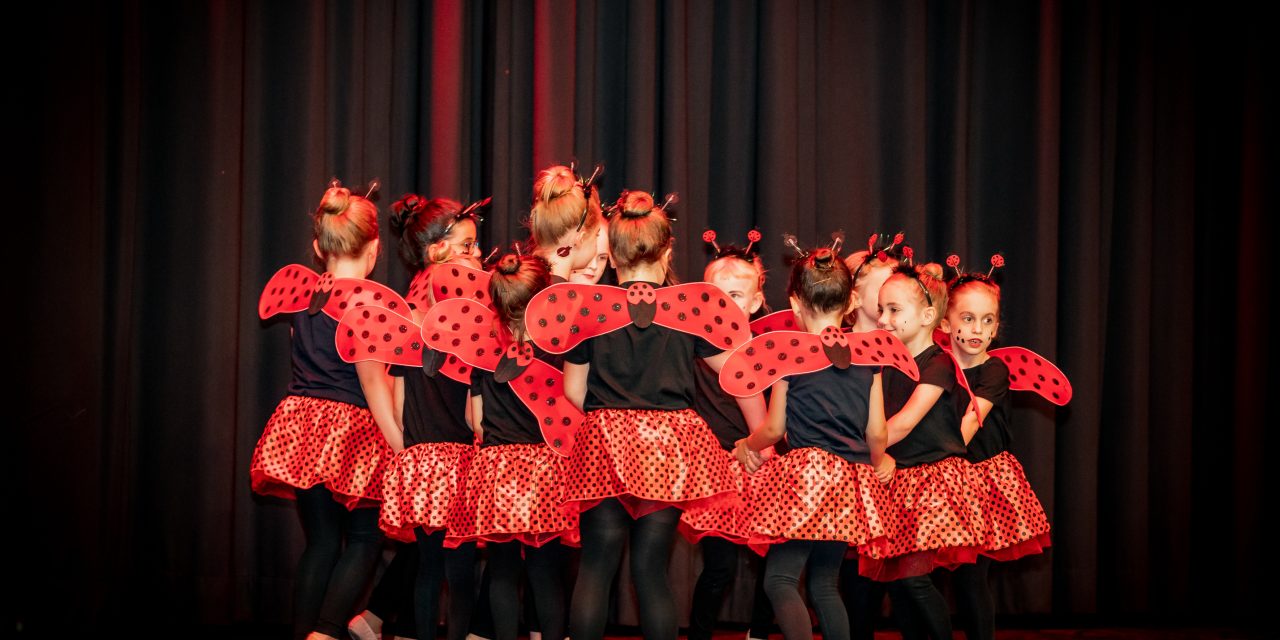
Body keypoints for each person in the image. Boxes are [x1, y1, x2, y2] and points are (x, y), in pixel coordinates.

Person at [527, 190, 764, 640]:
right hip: (670, 446)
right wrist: (759, 436)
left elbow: (573, 394)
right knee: (651, 570)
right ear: (668, 250)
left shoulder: (590, 310)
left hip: (605, 442)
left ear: (612, 254)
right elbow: (741, 373)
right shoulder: (688, 309)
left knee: (596, 567)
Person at [250, 182, 402, 640]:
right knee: (364, 538)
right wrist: (400, 447)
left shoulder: (304, 297)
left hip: (301, 426)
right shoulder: (372, 303)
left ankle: (306, 632)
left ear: (318, 247)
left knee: (320, 542)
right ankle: (328, 632)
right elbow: (375, 385)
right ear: (375, 249)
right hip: (353, 430)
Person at [731, 243, 894, 640]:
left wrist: (746, 446)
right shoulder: (867, 357)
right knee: (824, 583)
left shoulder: (791, 354)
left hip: (807, 479)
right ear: (852, 300)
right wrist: (879, 459)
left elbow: (773, 429)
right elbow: (877, 431)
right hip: (850, 480)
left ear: (795, 302)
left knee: (780, 580)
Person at [868, 256, 984, 640]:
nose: (883, 319)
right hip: (897, 480)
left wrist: (868, 449)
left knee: (914, 581)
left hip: (933, 484)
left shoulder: (939, 364)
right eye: (881, 309)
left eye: (894, 310)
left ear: (927, 315)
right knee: (900, 585)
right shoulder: (884, 365)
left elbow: (902, 424)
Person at [941, 256, 1051, 640]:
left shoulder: (994, 371)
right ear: (945, 323)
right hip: (940, 480)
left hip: (982, 480)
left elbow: (967, 427)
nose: (977, 329)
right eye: (967, 318)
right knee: (925, 577)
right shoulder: (935, 369)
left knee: (973, 579)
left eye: (988, 321)